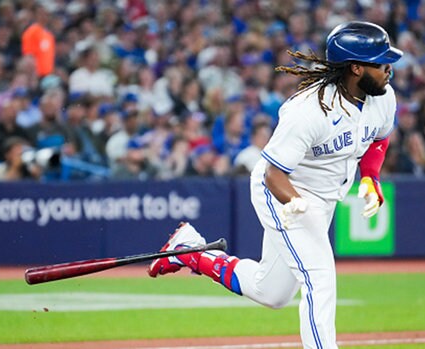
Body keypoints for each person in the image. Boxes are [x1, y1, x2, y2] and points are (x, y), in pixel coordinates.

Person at [148, 21, 402, 349]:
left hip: (321, 198)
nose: (389, 69)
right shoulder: (308, 111)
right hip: (281, 192)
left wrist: (370, 177)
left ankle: (190, 251)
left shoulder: (382, 97)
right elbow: (273, 175)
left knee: (272, 292)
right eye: (381, 63)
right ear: (355, 68)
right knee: (319, 277)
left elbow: (379, 140)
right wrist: (294, 203)